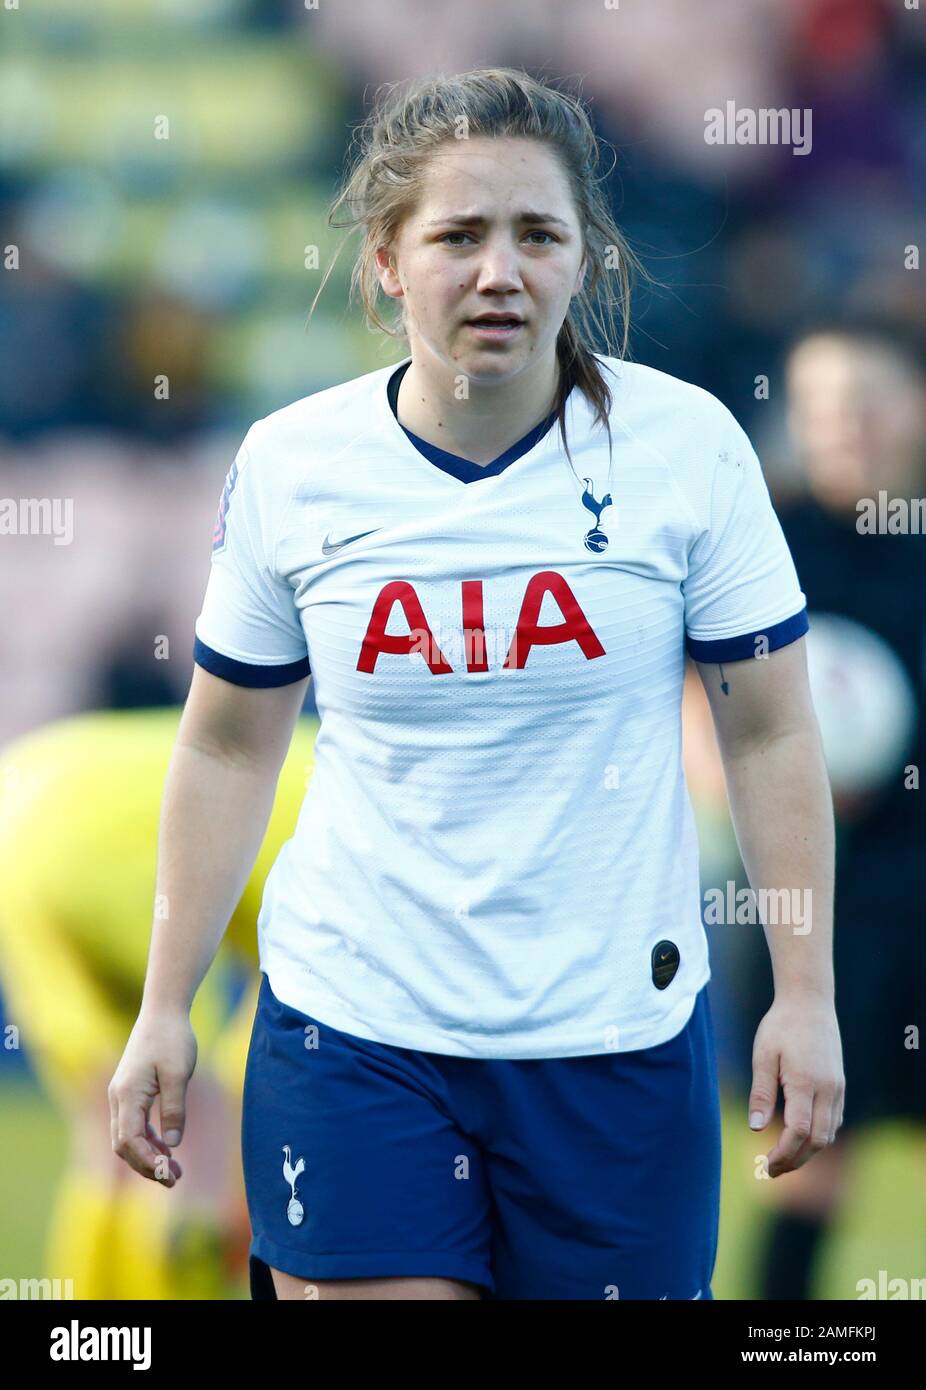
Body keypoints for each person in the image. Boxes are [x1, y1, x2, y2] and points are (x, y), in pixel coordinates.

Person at [109, 67, 844, 1302]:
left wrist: (804, 994)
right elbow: (227, 746)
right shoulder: (293, 465)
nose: (499, 270)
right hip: (356, 1025)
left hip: (613, 1038)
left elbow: (768, 730)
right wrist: (164, 1005)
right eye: (457, 235)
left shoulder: (687, 449)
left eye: (536, 235)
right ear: (387, 260)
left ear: (582, 258)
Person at [0, 707, 317, 1298]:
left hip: (40, 829)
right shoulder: (333, 781)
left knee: (112, 1129)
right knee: (189, 1125)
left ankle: (94, 1334)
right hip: (93, 849)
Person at [751, 320, 926, 1300]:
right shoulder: (767, 539)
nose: (840, 428)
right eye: (818, 407)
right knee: (808, 1155)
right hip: (820, 907)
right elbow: (697, 709)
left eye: (864, 402)